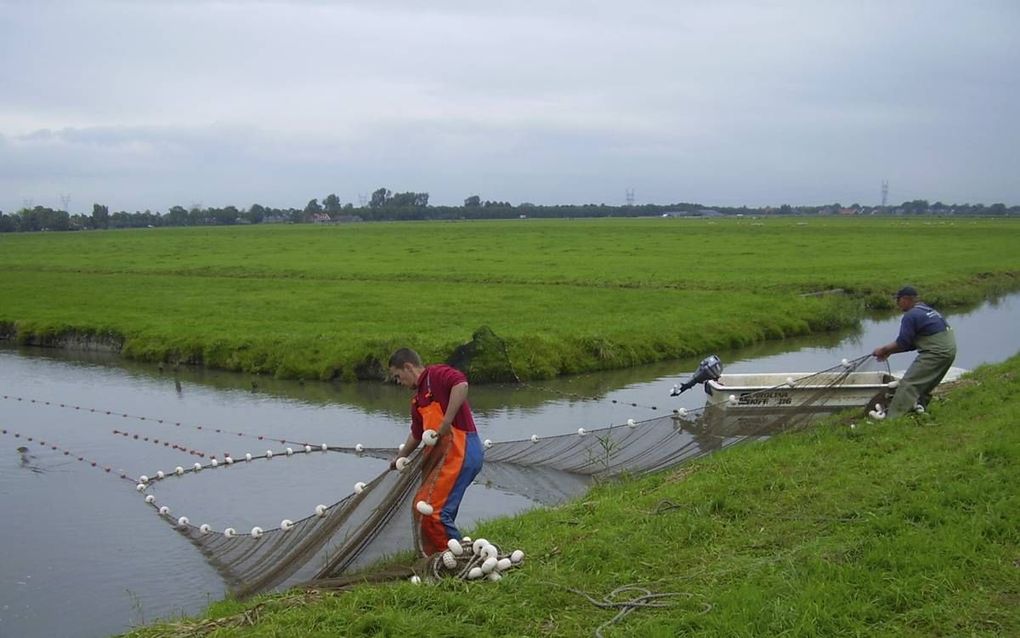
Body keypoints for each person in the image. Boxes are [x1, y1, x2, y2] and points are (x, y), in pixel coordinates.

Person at [388, 348, 484, 556]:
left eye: (398, 376)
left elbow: (461, 384)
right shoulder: (418, 400)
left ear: (408, 367)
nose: (398, 382)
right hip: (445, 458)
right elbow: (416, 434)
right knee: (424, 507)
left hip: (462, 450)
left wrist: (446, 422)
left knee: (433, 511)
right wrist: (401, 456)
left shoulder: (436, 375)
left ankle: (455, 559)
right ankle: (444, 555)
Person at [872, 285, 957, 418]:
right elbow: (912, 343)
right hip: (949, 351)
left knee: (909, 384)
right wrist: (889, 352)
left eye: (898, 300)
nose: (897, 304)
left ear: (905, 299)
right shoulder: (926, 309)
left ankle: (893, 419)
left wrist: (883, 349)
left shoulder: (910, 315)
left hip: (936, 352)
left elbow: (903, 342)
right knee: (925, 383)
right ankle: (918, 410)